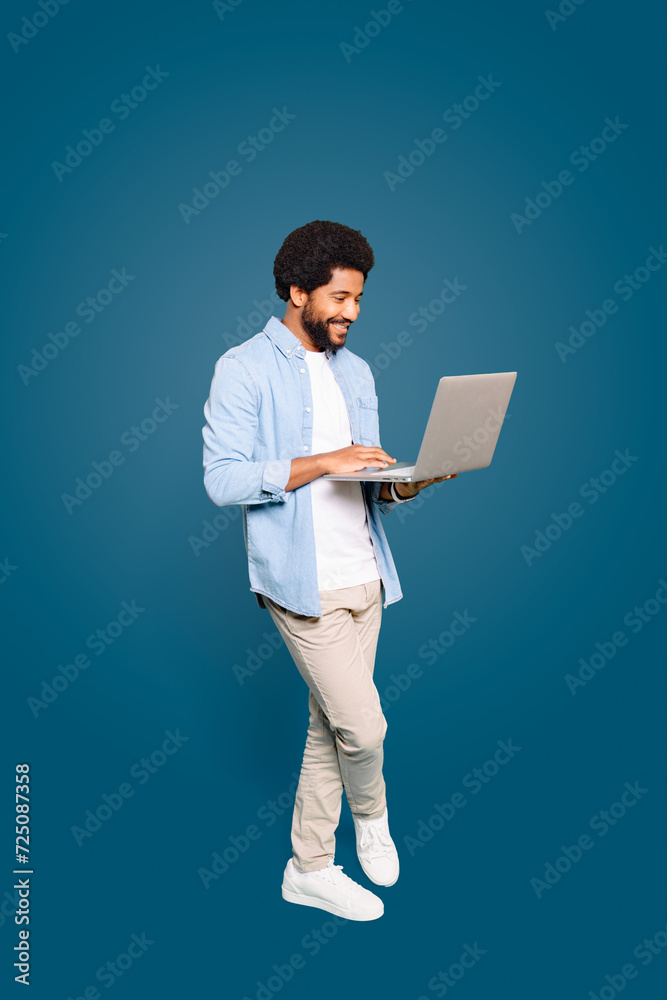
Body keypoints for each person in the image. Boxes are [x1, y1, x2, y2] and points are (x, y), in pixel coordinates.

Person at [202, 220, 456, 921]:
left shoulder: (358, 371)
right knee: (364, 730)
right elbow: (222, 480)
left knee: (330, 727)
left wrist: (413, 478)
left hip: (365, 573)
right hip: (299, 583)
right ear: (297, 291)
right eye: (339, 298)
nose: (351, 312)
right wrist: (325, 461)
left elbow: (367, 483)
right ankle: (371, 819)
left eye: (358, 299)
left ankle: (308, 867)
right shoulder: (242, 368)